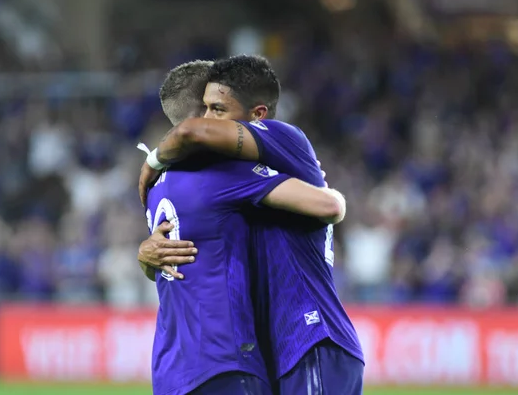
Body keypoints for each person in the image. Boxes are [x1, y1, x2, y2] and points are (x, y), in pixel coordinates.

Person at [139, 55, 364, 395]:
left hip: (311, 333)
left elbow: (331, 205)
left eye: (217, 109)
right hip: (276, 347)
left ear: (258, 115)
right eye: (206, 109)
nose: (209, 120)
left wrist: (152, 160)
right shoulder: (223, 176)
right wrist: (145, 256)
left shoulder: (281, 137)